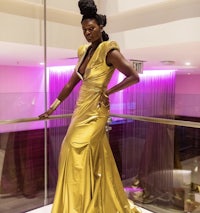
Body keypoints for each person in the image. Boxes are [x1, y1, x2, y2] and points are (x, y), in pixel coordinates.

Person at [39, 0, 140, 212]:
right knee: (73, 149)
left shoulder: (109, 50)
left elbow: (134, 77)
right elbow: (70, 83)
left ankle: (81, 205)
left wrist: (109, 91)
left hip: (97, 111)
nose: (87, 33)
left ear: (101, 27)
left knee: (77, 149)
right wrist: (53, 107)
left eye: (91, 28)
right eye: (84, 30)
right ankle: (91, 200)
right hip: (81, 109)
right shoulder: (84, 51)